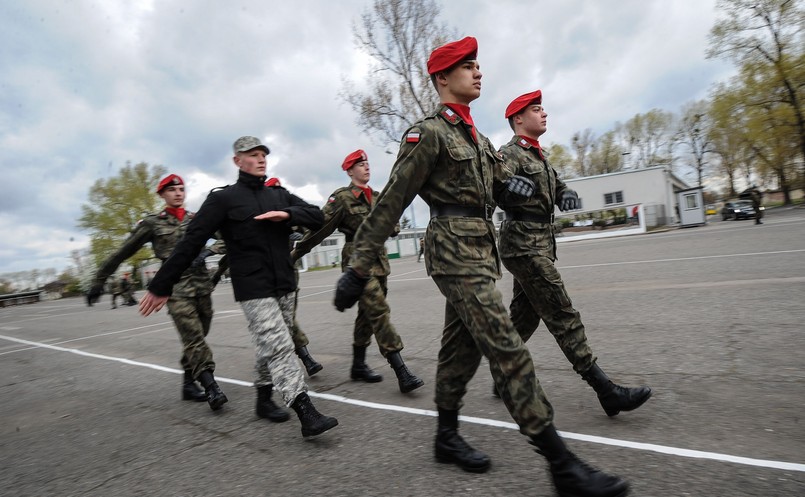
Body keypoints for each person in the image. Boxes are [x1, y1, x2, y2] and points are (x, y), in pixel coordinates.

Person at [333, 37, 629, 497]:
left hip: (481, 253)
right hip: (453, 254)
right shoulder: (427, 133)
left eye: (478, 65)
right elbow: (390, 203)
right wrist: (357, 268)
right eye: (467, 66)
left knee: (459, 351)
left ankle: (445, 436)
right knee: (509, 350)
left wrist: (529, 191)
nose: (478, 72)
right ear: (442, 78)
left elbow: (501, 184)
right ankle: (562, 466)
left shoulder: (476, 136)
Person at [139, 136, 338, 438]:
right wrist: (161, 284)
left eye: (263, 155)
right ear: (237, 161)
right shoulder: (223, 199)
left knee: (269, 346)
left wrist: (287, 214)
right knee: (280, 345)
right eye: (253, 155)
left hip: (284, 282)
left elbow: (317, 215)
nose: (261, 159)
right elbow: (191, 242)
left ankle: (262, 399)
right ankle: (305, 410)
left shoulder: (278, 194)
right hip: (253, 288)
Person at [495, 90, 652, 417]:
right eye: (537, 109)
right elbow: (493, 185)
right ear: (518, 119)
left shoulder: (540, 156)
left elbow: (557, 185)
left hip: (538, 242)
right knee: (561, 313)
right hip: (524, 244)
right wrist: (506, 190)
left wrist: (566, 195)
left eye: (543, 108)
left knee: (525, 315)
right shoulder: (509, 154)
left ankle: (502, 371)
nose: (544, 114)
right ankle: (605, 390)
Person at [293, 150, 424, 394]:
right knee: (379, 312)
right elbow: (320, 227)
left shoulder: (377, 196)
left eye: (367, 163)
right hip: (357, 262)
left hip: (380, 261)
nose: (366, 167)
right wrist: (293, 255)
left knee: (367, 315)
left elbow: (393, 224)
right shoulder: (342, 198)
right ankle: (401, 371)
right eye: (360, 164)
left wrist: (392, 221)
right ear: (349, 170)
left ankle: (358, 365)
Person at [212, 177, 324, 377]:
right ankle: (303, 360)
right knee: (279, 326)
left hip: (286, 271)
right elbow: (227, 250)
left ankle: (268, 382)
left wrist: (295, 230)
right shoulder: (250, 213)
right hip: (260, 276)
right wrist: (216, 275)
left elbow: (309, 223)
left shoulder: (284, 206)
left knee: (286, 322)